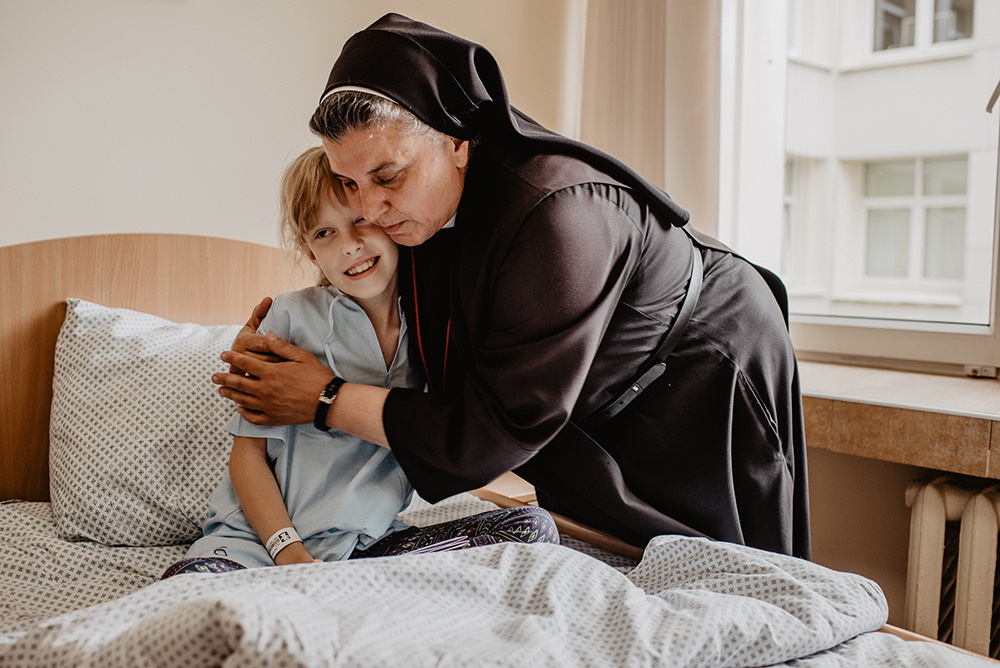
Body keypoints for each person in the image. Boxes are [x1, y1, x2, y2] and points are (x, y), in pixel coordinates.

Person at [214, 14, 810, 559]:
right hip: (592, 403)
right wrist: (273, 358)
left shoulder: (556, 217)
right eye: (349, 183)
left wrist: (322, 399)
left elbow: (492, 429)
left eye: (387, 176)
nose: (369, 208)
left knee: (741, 572)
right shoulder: (426, 216)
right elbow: (392, 327)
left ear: (455, 139)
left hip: (702, 367)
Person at [163, 147, 558, 578]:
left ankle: (340, 595)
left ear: (390, 222)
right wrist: (289, 555)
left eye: (361, 221)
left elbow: (463, 437)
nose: (350, 246)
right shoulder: (288, 320)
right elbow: (248, 458)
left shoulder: (438, 327)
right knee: (185, 588)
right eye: (324, 234)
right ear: (310, 253)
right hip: (258, 547)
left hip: (369, 550)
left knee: (531, 528)